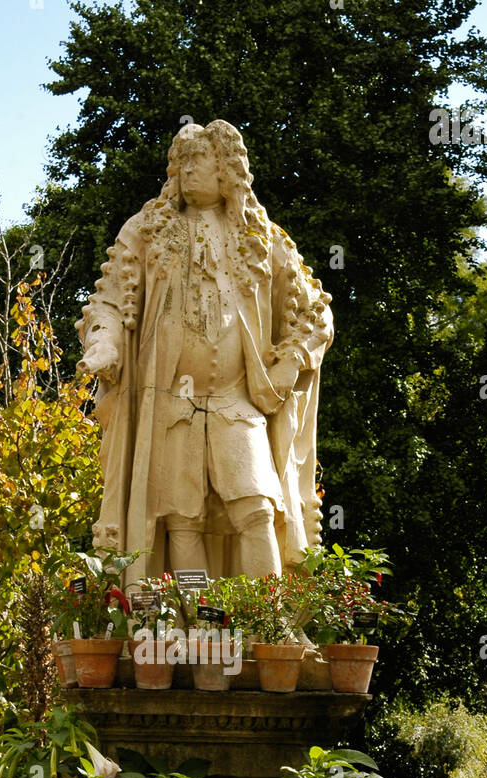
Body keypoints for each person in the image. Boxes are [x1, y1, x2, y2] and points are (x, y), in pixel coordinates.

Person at [76, 120, 334, 582]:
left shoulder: (263, 238)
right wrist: (104, 342)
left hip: (238, 402)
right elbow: (110, 300)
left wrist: (291, 361)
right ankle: (194, 625)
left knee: (257, 509)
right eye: (182, 161)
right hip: (171, 403)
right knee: (181, 522)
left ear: (227, 171)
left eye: (199, 161)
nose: (186, 170)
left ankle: (268, 625)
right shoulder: (147, 230)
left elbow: (314, 312)